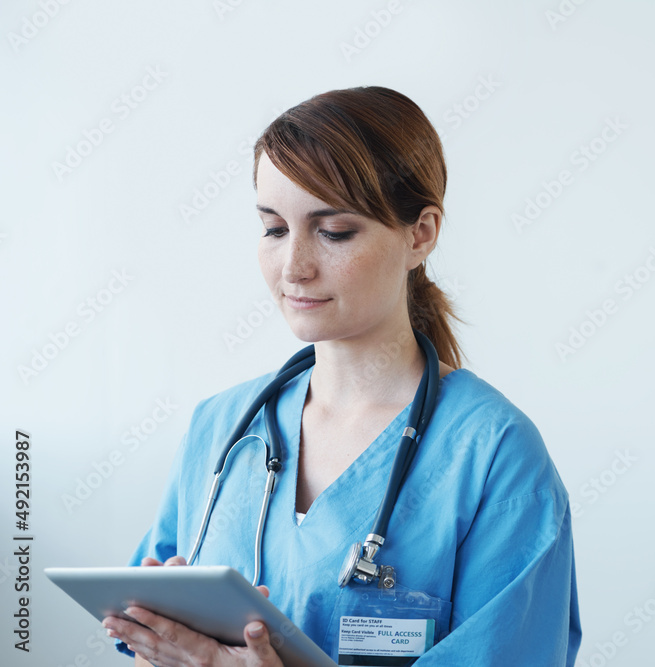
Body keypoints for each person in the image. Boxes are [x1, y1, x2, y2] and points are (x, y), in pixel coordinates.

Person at [103, 86, 582, 666]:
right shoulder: (223, 427)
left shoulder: (493, 455)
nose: (295, 267)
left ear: (420, 234)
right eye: (274, 228)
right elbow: (143, 632)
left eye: (334, 232)